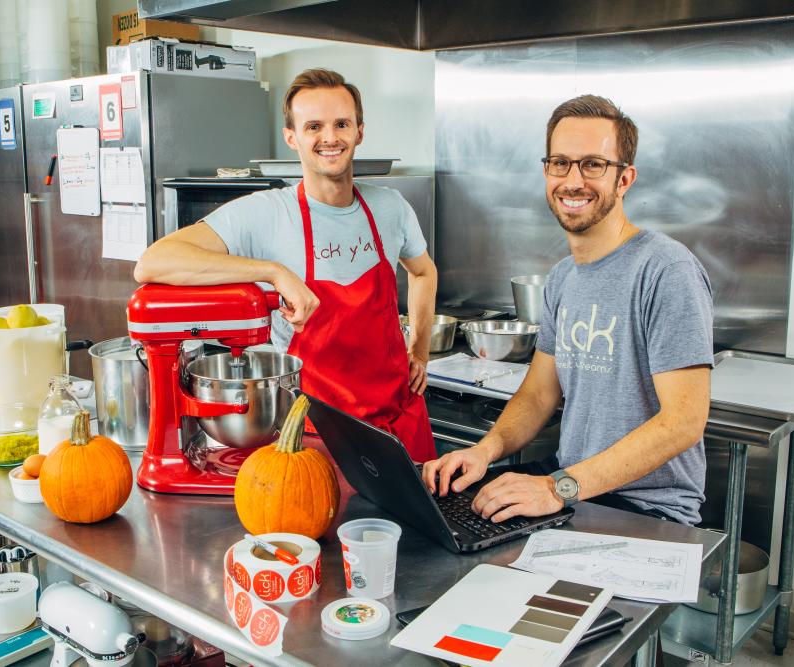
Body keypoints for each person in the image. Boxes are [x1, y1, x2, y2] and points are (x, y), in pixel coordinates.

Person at [422, 95, 714, 525]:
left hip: (649, 510)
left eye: (593, 164)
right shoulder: (562, 278)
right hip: (575, 492)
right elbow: (539, 393)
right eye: (560, 163)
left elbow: (684, 422)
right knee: (443, 520)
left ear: (625, 178)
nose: (573, 180)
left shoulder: (666, 270)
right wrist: (484, 451)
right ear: (546, 172)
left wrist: (558, 487)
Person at [134, 68, 438, 462]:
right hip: (315, 435)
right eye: (314, 126)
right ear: (291, 136)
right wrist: (273, 272)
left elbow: (423, 271)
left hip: (400, 424)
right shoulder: (266, 214)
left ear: (360, 131)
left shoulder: (390, 207)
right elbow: (153, 262)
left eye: (341, 124)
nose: (330, 138)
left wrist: (421, 349)